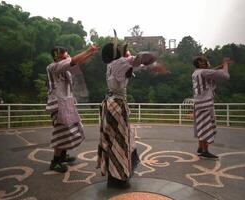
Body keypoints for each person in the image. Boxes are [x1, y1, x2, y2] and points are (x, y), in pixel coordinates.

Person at [97, 42, 166, 188]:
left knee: (112, 140)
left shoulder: (112, 64)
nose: (126, 51)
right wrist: (156, 55)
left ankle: (114, 177)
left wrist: (150, 66)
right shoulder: (120, 62)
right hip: (117, 105)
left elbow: (138, 66)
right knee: (120, 141)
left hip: (110, 104)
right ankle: (119, 178)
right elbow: (142, 58)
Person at [45, 44, 98, 173]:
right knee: (61, 132)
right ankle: (55, 161)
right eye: (65, 53)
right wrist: (88, 50)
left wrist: (90, 53)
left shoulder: (65, 69)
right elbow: (73, 61)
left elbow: (76, 62)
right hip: (57, 105)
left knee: (69, 131)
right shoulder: (54, 67)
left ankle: (62, 156)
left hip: (65, 104)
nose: (68, 55)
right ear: (58, 56)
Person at [192, 56, 231, 159]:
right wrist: (225, 64)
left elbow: (211, 71)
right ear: (201, 64)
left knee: (201, 126)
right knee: (207, 126)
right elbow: (225, 76)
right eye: (205, 62)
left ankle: (201, 147)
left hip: (198, 103)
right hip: (206, 104)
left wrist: (219, 66)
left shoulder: (196, 73)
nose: (208, 63)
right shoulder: (204, 72)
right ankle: (205, 150)